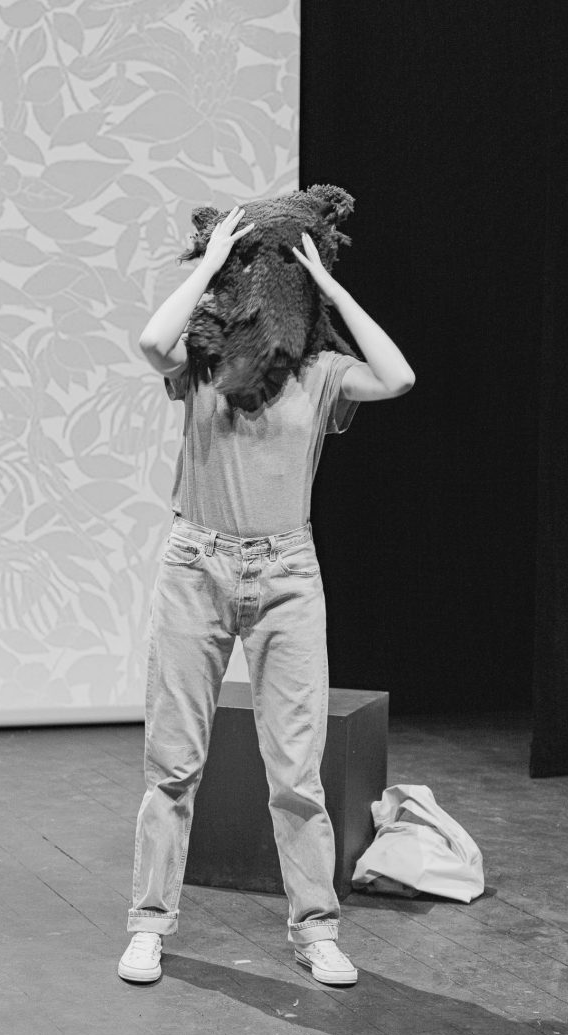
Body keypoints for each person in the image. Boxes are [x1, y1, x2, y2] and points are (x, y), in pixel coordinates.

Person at [118, 204, 415, 986]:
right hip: (197, 567)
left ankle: (316, 931)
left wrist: (332, 289)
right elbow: (151, 342)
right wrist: (211, 265)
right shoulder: (203, 365)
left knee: (296, 774)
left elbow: (398, 376)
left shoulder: (321, 375)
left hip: (287, 576)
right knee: (173, 765)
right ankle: (149, 925)